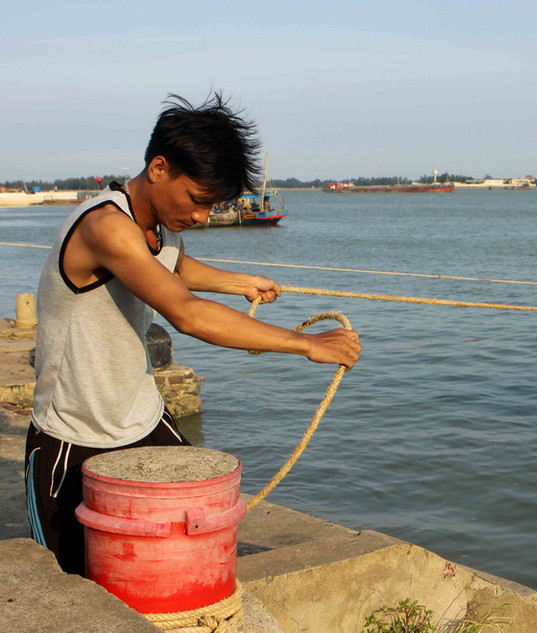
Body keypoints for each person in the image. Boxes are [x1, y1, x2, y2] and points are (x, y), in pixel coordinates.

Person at [24, 93, 361, 575]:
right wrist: (305, 343)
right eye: (199, 201)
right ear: (159, 167)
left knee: (185, 563)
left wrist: (237, 282)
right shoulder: (105, 226)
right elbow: (187, 314)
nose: (203, 217)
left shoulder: (158, 225)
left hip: (143, 421)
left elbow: (173, 265)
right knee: (78, 589)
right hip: (75, 439)